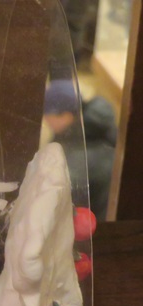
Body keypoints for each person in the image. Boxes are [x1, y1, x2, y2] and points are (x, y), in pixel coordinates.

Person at [42, 79, 117, 220]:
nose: (46, 120)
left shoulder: (76, 159)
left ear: (66, 116)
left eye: (48, 115)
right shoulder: (94, 125)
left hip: (96, 222)